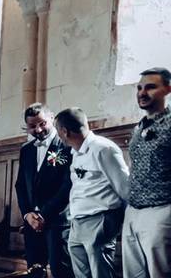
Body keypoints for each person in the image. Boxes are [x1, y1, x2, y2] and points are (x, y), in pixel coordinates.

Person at [53, 107, 128, 278]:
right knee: (81, 275)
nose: (57, 135)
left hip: (99, 220)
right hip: (77, 222)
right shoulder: (75, 151)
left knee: (100, 274)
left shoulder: (103, 149)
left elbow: (124, 188)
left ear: (64, 132)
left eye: (57, 131)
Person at [15, 103, 74, 278]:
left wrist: (43, 214)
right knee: (35, 272)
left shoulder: (66, 146)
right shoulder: (26, 150)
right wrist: (27, 215)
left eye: (42, 123)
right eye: (32, 126)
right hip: (32, 223)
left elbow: (67, 186)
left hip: (57, 221)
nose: (38, 129)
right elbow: (21, 186)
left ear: (52, 119)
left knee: (60, 271)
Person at [122, 67, 171, 278]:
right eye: (139, 88)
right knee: (133, 273)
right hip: (133, 210)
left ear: (168, 90)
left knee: (160, 272)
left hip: (161, 210)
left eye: (150, 87)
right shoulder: (138, 127)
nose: (142, 93)